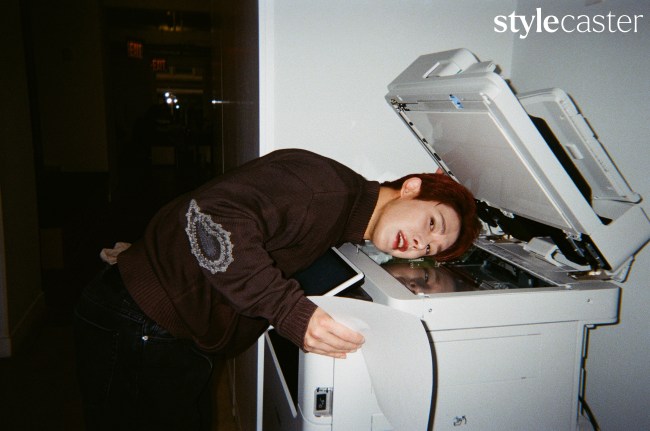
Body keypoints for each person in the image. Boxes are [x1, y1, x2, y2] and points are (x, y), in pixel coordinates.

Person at [74, 148, 480, 431]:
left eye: (431, 249)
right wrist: (290, 312)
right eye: (432, 223)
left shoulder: (344, 214)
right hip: (140, 322)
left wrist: (155, 250)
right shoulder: (325, 187)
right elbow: (211, 216)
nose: (421, 243)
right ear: (411, 188)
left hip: (161, 326)